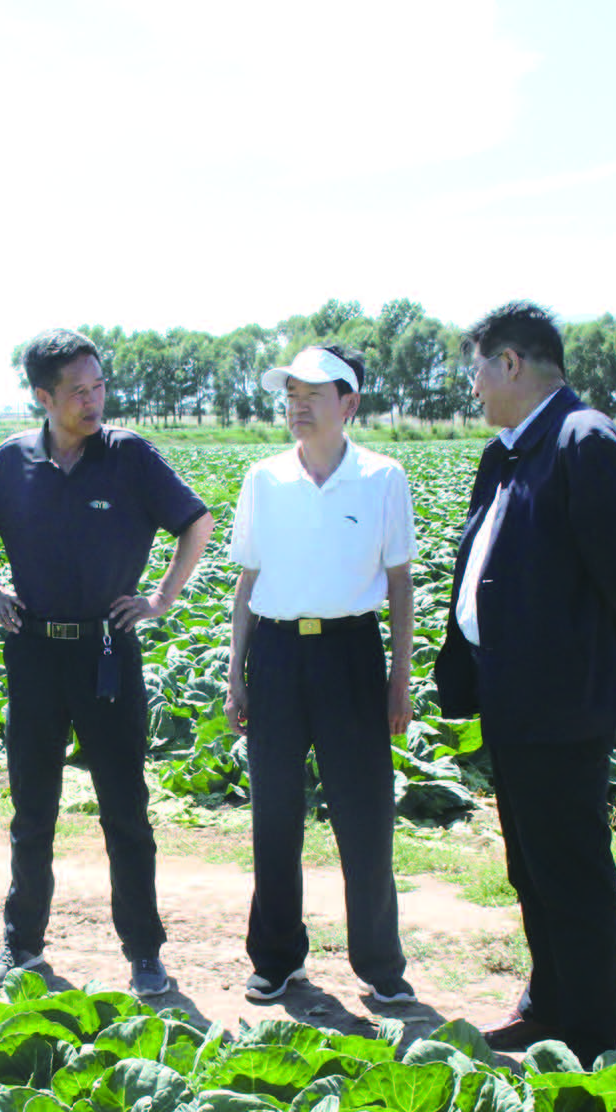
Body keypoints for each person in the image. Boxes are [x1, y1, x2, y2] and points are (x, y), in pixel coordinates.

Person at [0, 329, 217, 997]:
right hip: (33, 650)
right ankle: (21, 946)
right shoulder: (12, 462)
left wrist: (161, 596)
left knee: (124, 808)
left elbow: (196, 522)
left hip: (106, 649)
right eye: (77, 391)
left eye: (98, 387)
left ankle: (144, 953)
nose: (93, 400)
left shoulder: (128, 456)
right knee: (31, 809)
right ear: (43, 397)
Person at [432, 302, 616, 1065]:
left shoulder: (580, 440)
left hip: (561, 698)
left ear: (511, 364)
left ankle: (590, 1037)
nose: (473, 390)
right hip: (513, 693)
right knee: (531, 863)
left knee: (571, 866)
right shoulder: (513, 452)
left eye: (476, 372)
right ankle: (547, 1008)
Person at [224, 343, 417, 1011]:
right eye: (289, 393)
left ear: (349, 403)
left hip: (350, 657)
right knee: (274, 815)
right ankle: (277, 960)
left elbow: (398, 581)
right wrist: (235, 674)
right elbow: (247, 578)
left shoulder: (382, 477)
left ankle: (379, 965)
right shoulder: (263, 478)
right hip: (277, 656)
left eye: (313, 392)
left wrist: (400, 678)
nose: (297, 404)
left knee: (364, 816)